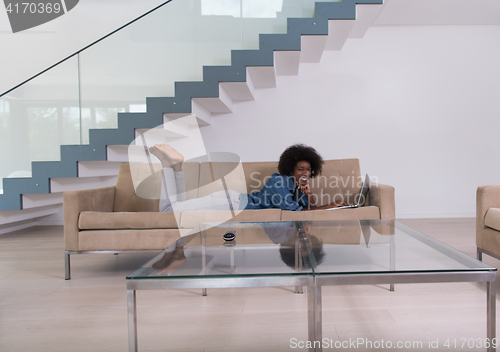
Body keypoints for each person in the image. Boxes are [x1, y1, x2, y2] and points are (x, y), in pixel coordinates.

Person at [148, 143, 346, 213]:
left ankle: (175, 166)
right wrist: (331, 206)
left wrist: (310, 195)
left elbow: (308, 210)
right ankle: (169, 165)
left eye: (308, 170)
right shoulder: (278, 181)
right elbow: (297, 213)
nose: (305, 174)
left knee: (180, 207)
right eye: (300, 169)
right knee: (168, 211)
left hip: (231, 202)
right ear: (290, 169)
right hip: (230, 205)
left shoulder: (296, 189)